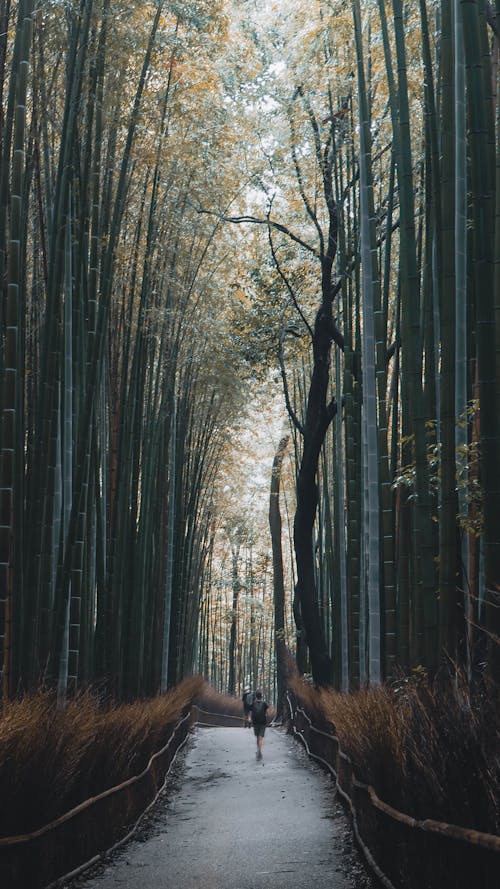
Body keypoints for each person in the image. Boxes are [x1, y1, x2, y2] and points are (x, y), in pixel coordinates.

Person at [250, 689, 269, 758]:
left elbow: (251, 712)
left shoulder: (253, 703)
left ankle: (258, 749)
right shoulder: (264, 703)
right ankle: (259, 751)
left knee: (257, 737)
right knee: (261, 737)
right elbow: (267, 713)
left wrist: (250, 719)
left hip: (255, 722)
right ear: (261, 696)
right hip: (263, 722)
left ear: (256, 696)